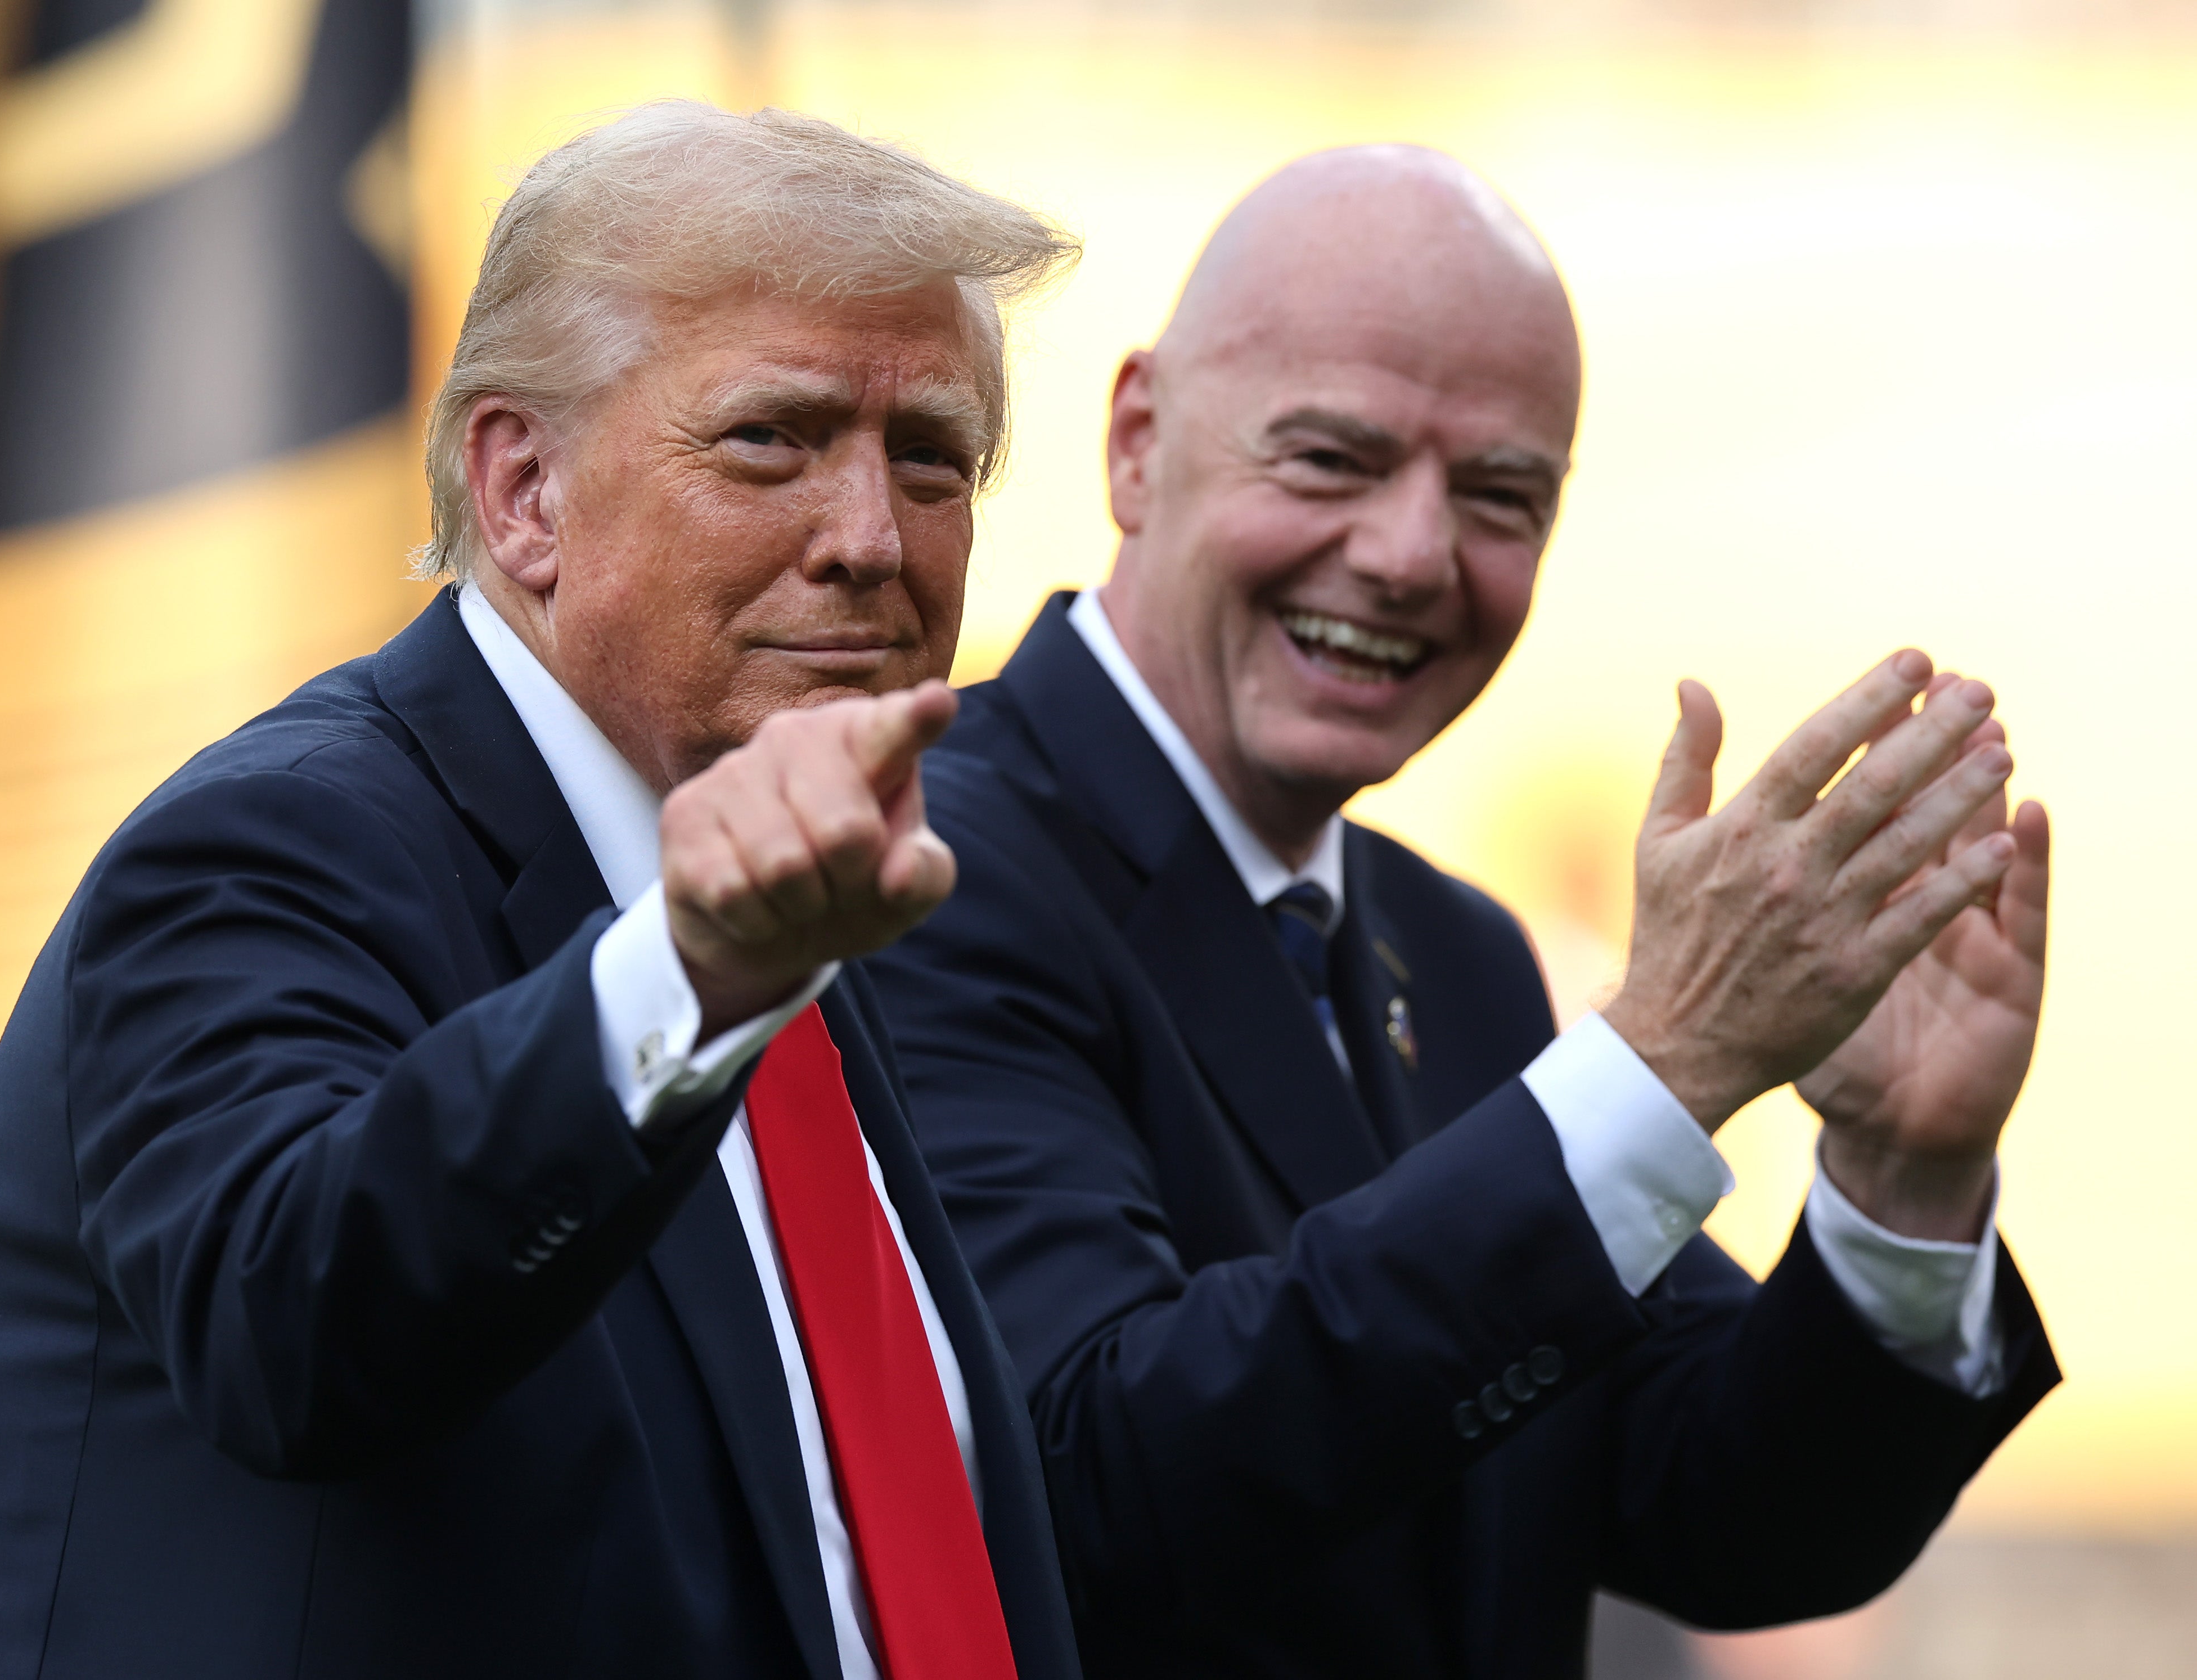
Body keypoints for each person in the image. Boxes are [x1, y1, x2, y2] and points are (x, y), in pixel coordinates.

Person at [862, 146, 2059, 1679]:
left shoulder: (1452, 949)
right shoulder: (922, 871)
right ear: (1139, 443)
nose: (1412, 556)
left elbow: (1724, 1513)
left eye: (1500, 495)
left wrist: (1905, 1178)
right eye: (1331, 459)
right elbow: (1095, 1481)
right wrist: (1671, 1061)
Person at [0, 103, 1082, 1680]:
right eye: (773, 438)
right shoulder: (275, 841)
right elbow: (295, 1321)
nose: (872, 540)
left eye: (933, 459)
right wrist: (689, 979)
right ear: (525, 489)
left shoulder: (787, 905)